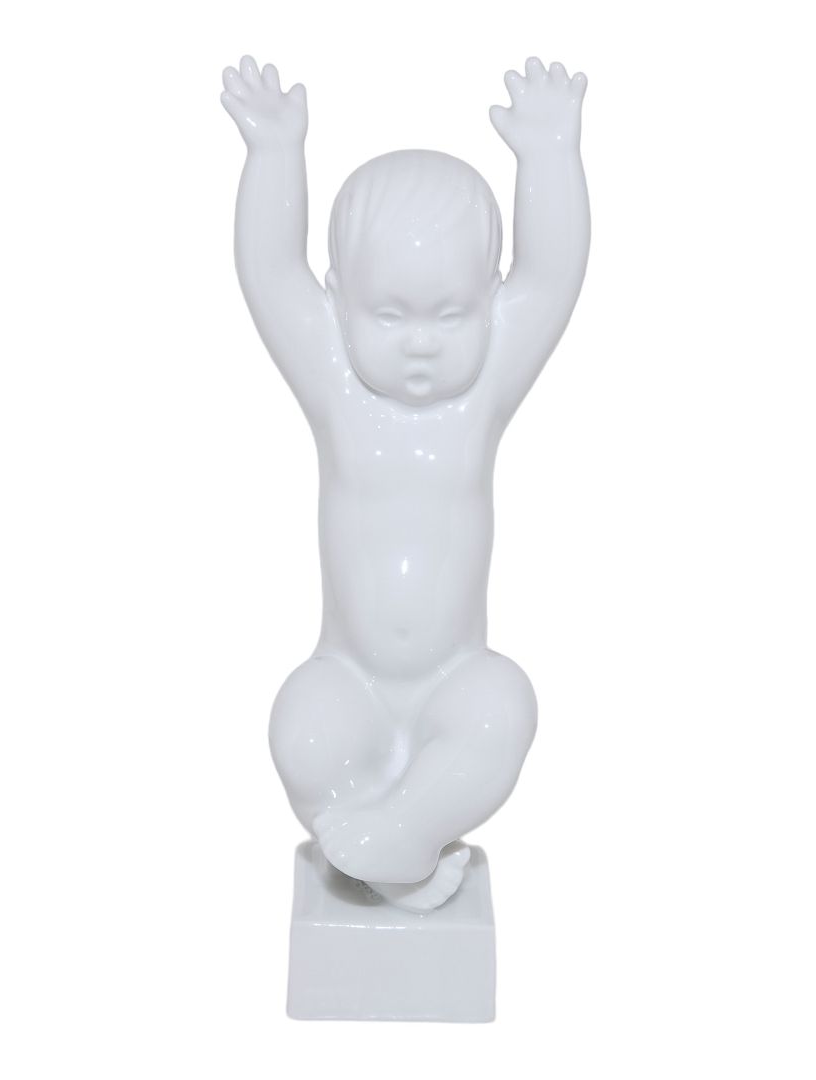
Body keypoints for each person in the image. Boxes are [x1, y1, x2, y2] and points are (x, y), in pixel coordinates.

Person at [221, 54, 589, 911]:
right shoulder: (337, 389)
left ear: (490, 301)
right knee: (301, 727)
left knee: (504, 706)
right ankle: (386, 850)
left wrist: (551, 155)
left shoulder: (481, 394)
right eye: (389, 315)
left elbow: (553, 276)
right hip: (350, 675)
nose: (421, 341)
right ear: (338, 301)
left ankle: (407, 830)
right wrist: (274, 154)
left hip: (452, 679)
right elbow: (269, 274)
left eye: (450, 314)